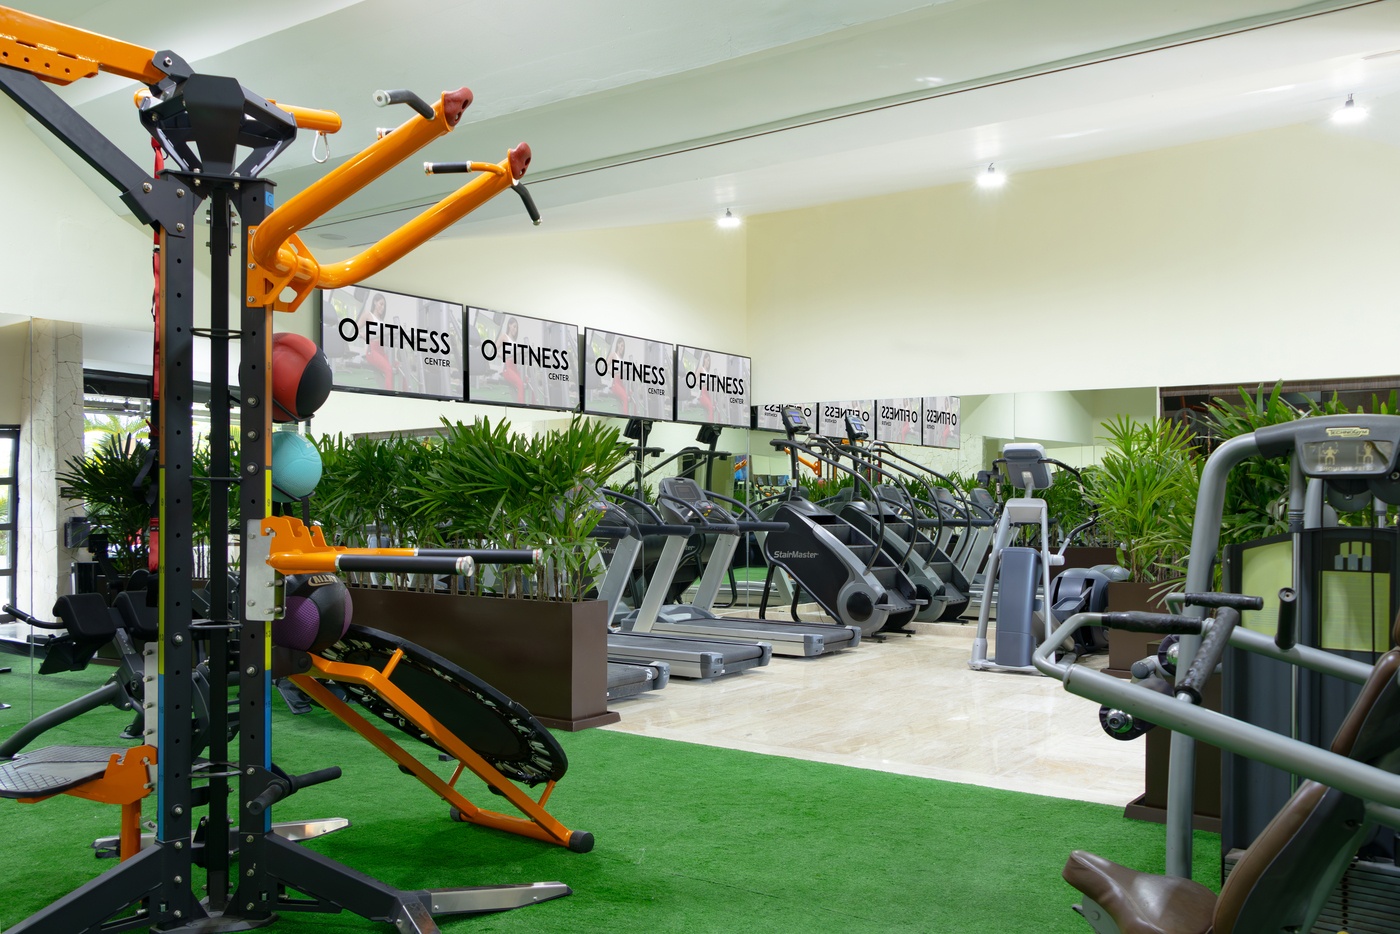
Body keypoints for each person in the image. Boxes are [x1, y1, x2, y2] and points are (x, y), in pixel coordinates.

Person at [500, 317, 526, 404]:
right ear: (509, 325)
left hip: (515, 367)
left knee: (529, 381)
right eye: (514, 326)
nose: (515, 329)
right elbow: (493, 351)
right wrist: (504, 356)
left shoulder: (515, 342)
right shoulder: (504, 337)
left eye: (516, 328)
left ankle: (534, 405)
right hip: (507, 368)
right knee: (520, 385)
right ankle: (521, 407)